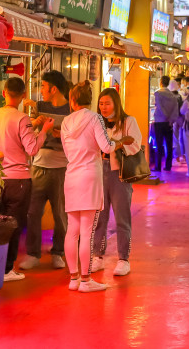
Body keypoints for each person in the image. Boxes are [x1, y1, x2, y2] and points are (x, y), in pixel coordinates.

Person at [53, 81, 134, 293]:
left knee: (72, 230)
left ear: (72, 101)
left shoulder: (66, 121)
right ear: (90, 100)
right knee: (87, 231)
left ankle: (73, 279)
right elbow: (106, 147)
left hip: (71, 176)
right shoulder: (95, 118)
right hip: (90, 176)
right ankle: (86, 280)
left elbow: (66, 149)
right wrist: (121, 141)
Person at [0, 78, 54, 282]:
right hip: (19, 179)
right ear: (23, 95)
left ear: (4, 92)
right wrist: (43, 132)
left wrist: (32, 127)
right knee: (13, 225)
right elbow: (32, 148)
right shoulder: (22, 118)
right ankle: (7, 269)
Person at [19, 71, 71, 271]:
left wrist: (59, 134)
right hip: (39, 165)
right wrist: (35, 124)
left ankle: (58, 252)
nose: (41, 90)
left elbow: (75, 136)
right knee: (33, 213)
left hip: (61, 168)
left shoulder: (70, 110)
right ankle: (33, 253)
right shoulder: (40, 107)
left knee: (60, 214)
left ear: (53, 89)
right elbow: (29, 133)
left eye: (43, 86)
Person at [91, 88, 142, 277]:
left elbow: (136, 144)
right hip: (99, 171)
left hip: (121, 173)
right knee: (99, 217)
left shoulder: (129, 121)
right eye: (101, 103)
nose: (103, 107)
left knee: (122, 218)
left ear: (116, 103)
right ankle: (97, 256)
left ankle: (123, 258)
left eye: (107, 103)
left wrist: (117, 144)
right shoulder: (96, 122)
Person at [151, 75, 179, 171]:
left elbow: (159, 106)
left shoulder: (157, 94)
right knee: (169, 144)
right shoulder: (173, 95)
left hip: (159, 121)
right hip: (169, 123)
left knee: (158, 145)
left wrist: (166, 115)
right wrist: (171, 119)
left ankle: (158, 166)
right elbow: (176, 109)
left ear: (161, 82)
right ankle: (168, 165)